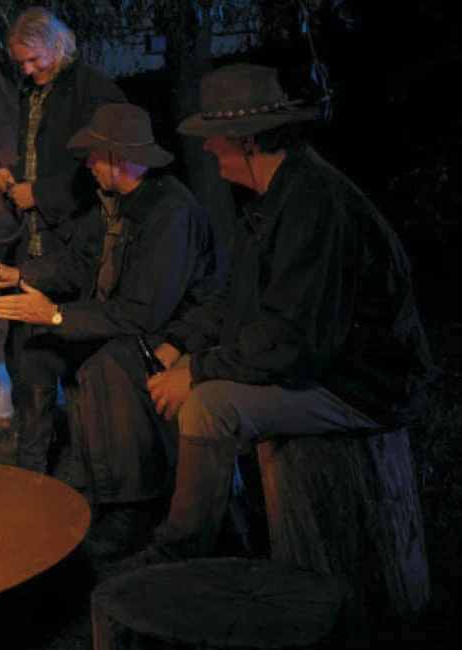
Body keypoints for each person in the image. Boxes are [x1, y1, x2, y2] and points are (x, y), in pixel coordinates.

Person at [127, 63, 434, 565]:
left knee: (209, 405)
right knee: (195, 388)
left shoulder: (315, 204)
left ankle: (179, 556)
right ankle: (234, 535)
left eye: (214, 137)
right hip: (322, 363)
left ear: (245, 141)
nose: (206, 148)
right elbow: (237, 301)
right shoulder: (273, 200)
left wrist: (200, 372)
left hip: (362, 383)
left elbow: (294, 341)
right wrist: (181, 345)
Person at [0, 103, 224, 558]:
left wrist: (58, 316)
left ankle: (133, 506)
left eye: (94, 155)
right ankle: (72, 483)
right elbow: (80, 263)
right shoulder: (113, 204)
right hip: (133, 320)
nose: (86, 164)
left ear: (121, 159)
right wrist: (16, 274)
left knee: (106, 361)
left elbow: (143, 312)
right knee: (44, 350)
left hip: (179, 331)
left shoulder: (170, 213)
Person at [0, 6, 128, 481]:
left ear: (56, 44)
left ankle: (93, 475)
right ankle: (31, 477)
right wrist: (16, 176)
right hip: (38, 246)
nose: (26, 70)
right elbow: (41, 160)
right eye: (20, 63)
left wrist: (37, 192)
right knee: (31, 366)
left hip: (82, 248)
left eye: (32, 60)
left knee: (81, 371)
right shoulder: (33, 92)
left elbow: (103, 171)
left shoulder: (94, 91)